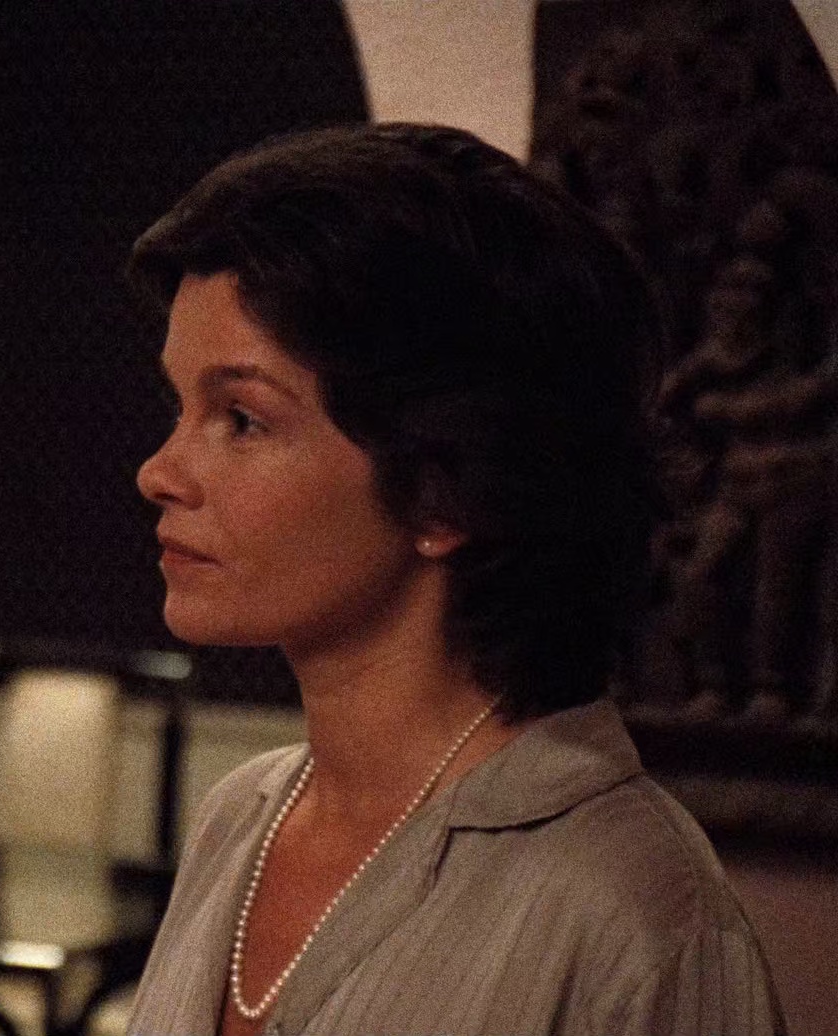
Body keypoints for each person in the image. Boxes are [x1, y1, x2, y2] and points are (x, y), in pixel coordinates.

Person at [126, 123, 784, 1036]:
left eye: (242, 419)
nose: (158, 473)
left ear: (446, 487)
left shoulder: (632, 915)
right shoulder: (238, 819)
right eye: (180, 406)